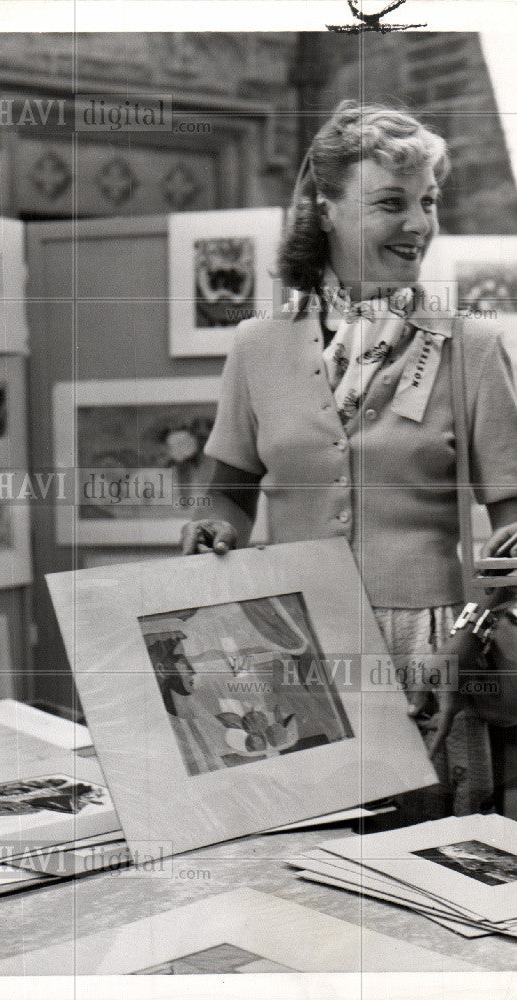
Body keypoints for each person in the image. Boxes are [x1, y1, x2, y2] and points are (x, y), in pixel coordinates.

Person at [181, 101, 517, 823]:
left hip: (433, 654)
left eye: (427, 201)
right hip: (292, 643)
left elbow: (516, 544)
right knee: (304, 852)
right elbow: (226, 495)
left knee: (427, 860)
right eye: (391, 203)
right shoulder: (257, 345)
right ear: (325, 209)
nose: (419, 224)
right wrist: (214, 531)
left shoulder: (475, 347)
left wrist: (466, 636)